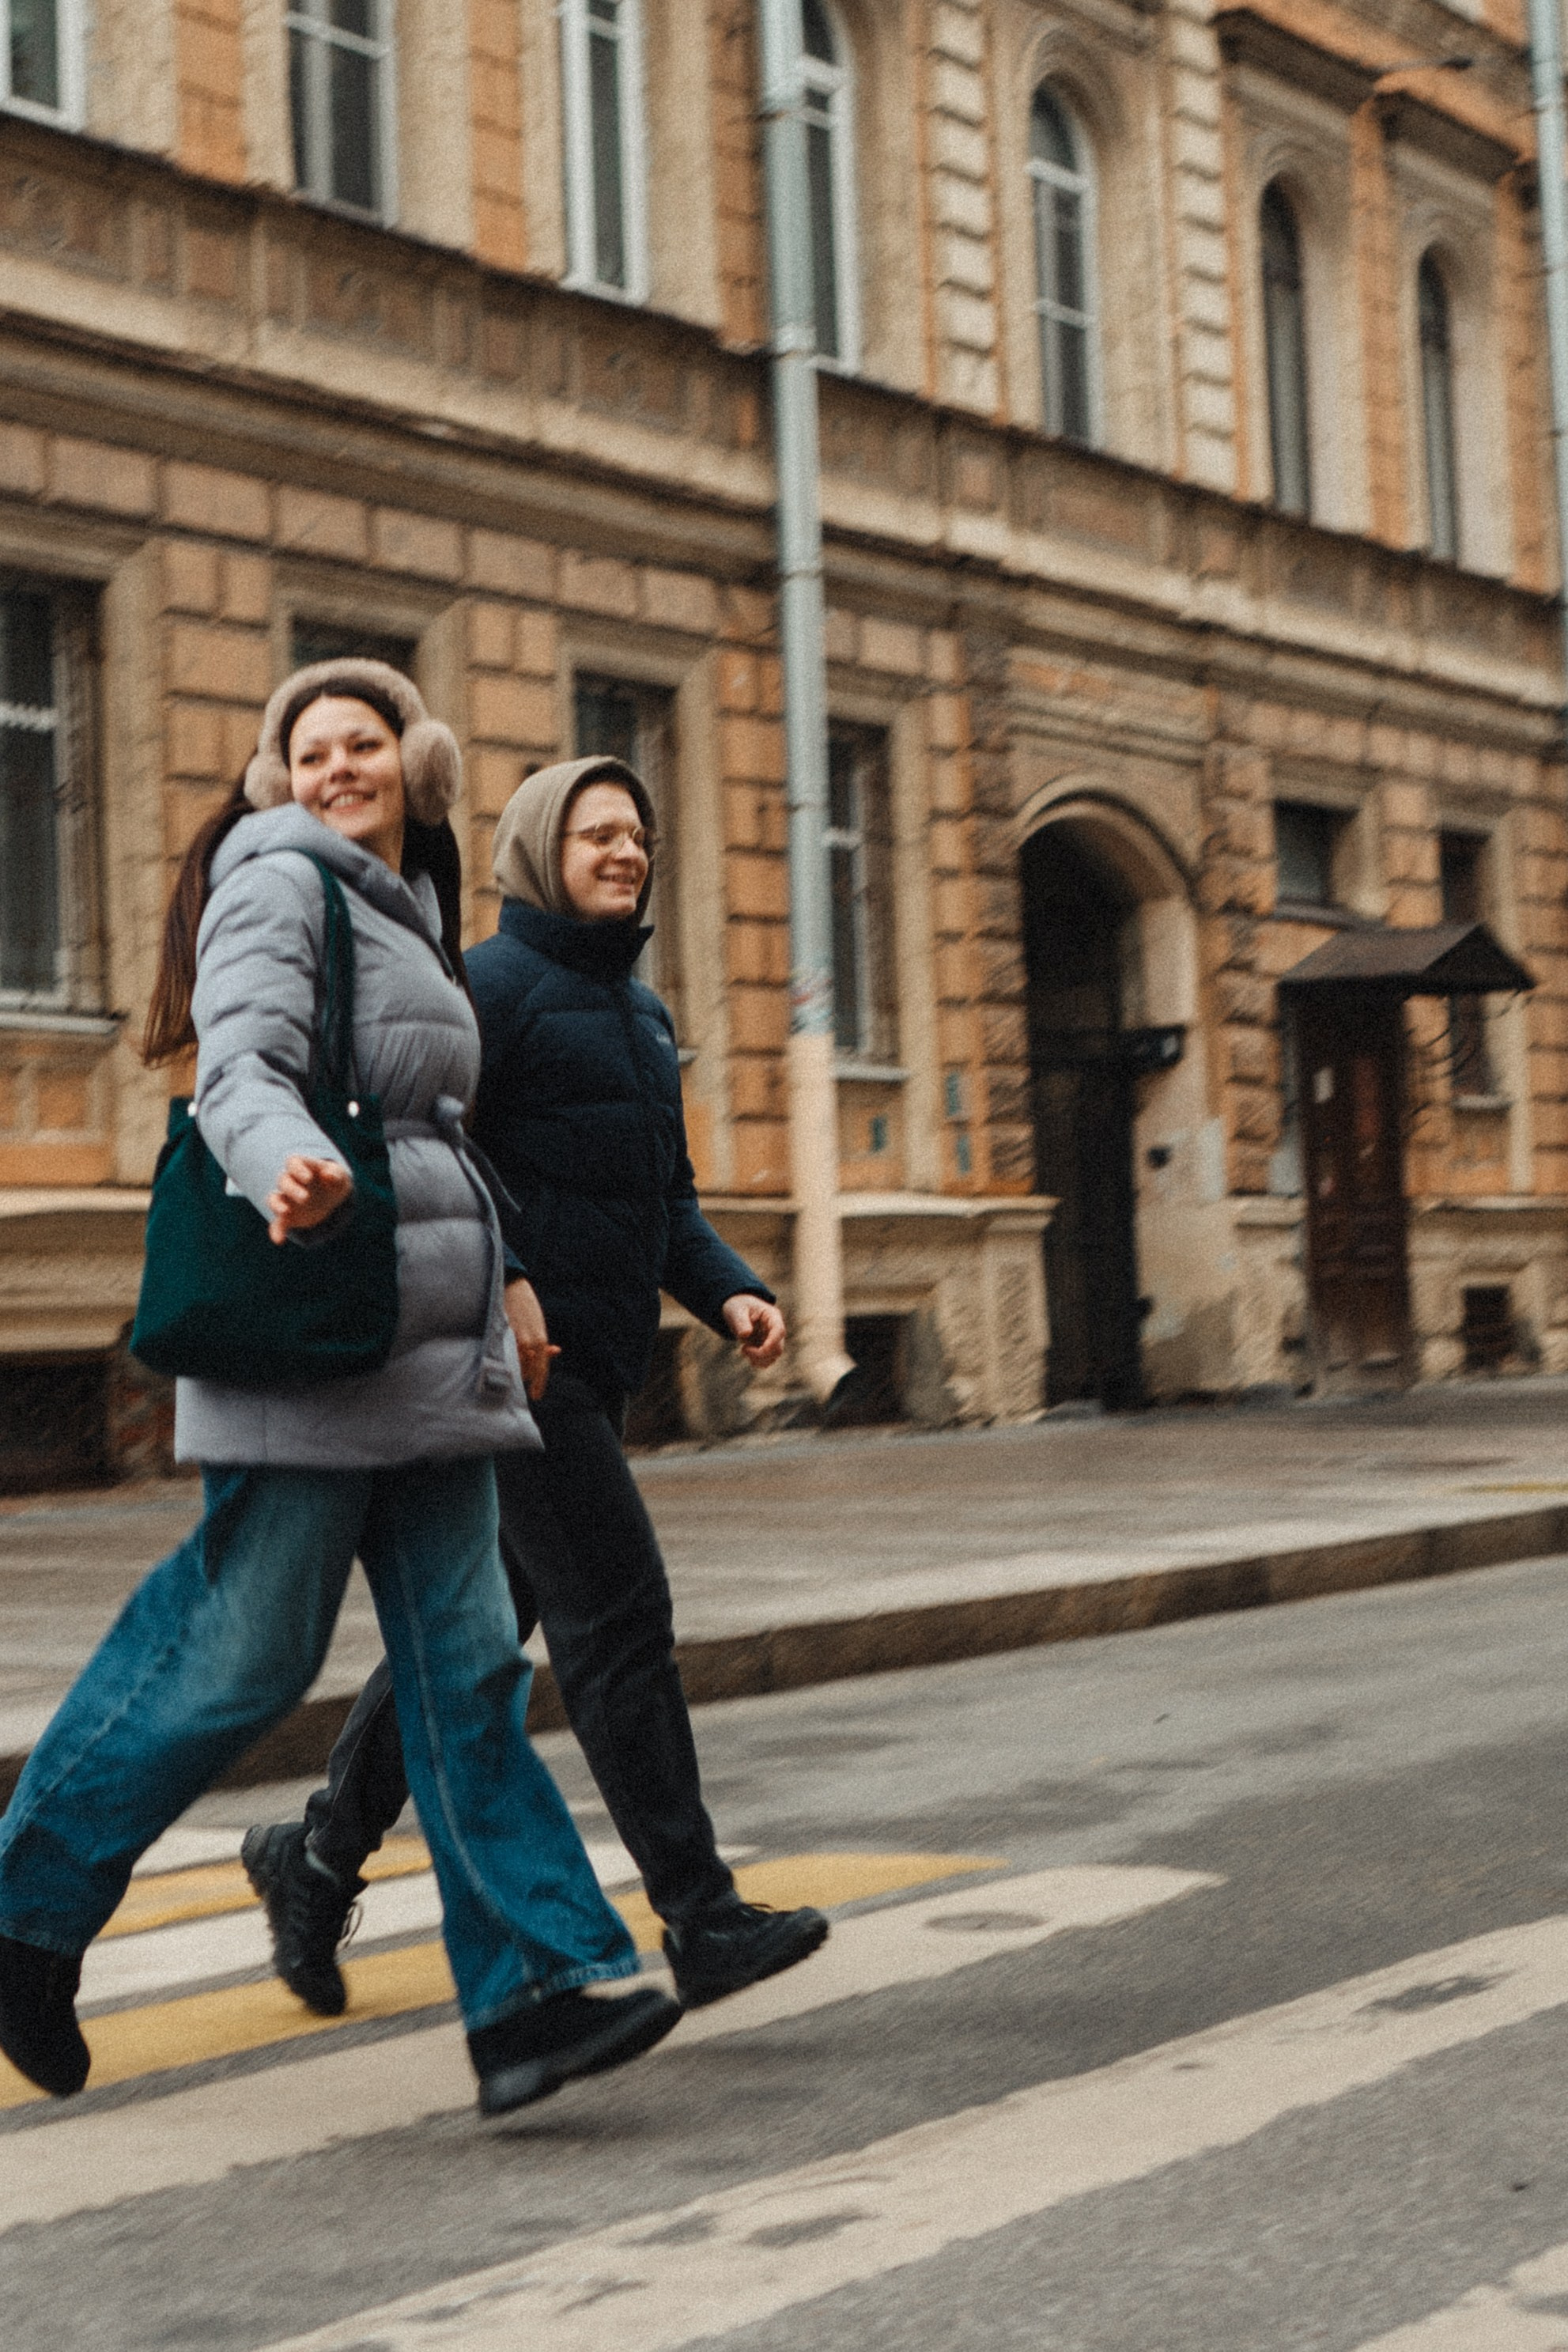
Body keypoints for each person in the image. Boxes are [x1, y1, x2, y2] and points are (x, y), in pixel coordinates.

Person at [0, 663, 681, 2116]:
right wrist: (283, 1170)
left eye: (361, 743)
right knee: (240, 1653)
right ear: (281, 778)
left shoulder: (409, 911)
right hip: (315, 1335)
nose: (336, 768)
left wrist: (506, 1274)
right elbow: (239, 1074)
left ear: (411, 762)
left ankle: (530, 1997)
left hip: (428, 1352)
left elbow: (436, 1130)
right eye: (309, 752)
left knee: (469, 1673)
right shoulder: (277, 884)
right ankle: (23, 1913)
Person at [247, 755, 829, 2016]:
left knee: (467, 1645)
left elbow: (667, 1199)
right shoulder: (490, 990)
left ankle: (316, 1854)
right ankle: (700, 1913)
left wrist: (730, 1291)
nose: (626, 851)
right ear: (535, 851)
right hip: (503, 1366)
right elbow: (436, 1156)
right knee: (619, 1615)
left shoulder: (645, 1016)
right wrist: (505, 1278)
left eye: (638, 832)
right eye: (596, 832)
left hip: (590, 1370)